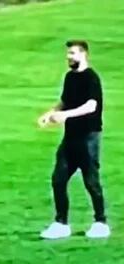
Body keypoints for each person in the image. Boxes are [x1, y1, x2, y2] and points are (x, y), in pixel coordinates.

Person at [37, 40, 110, 239]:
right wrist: (50, 113)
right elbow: (64, 101)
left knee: (91, 181)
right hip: (70, 138)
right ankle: (61, 224)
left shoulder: (91, 78)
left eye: (72, 53)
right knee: (58, 179)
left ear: (84, 54)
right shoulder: (70, 77)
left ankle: (100, 222)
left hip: (89, 137)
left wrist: (66, 115)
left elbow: (91, 106)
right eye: (68, 54)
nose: (68, 57)